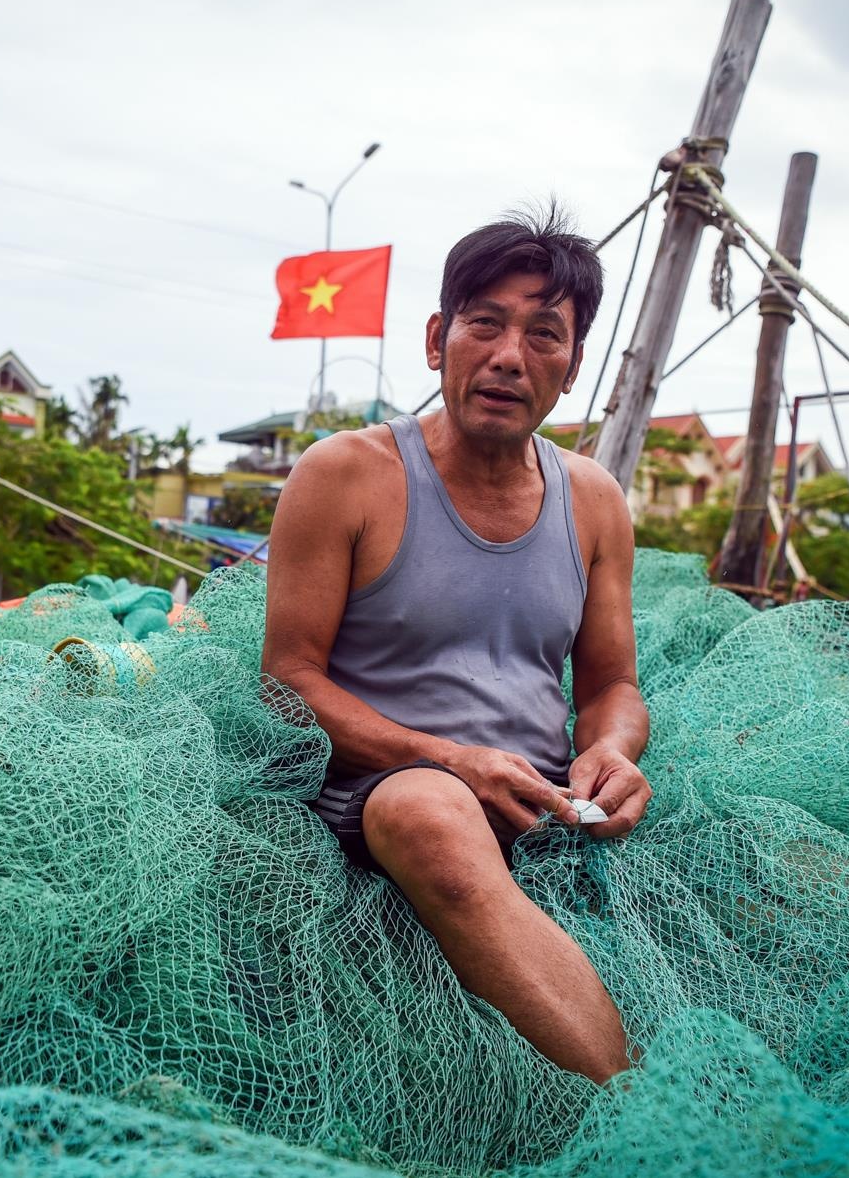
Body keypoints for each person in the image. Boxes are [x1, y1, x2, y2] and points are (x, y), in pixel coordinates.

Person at [262, 209, 650, 1083]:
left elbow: (613, 684)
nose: (510, 355)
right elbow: (288, 681)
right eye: (486, 324)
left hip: (540, 803)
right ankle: (644, 1117)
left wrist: (613, 753)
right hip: (382, 798)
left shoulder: (593, 499)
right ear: (439, 339)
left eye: (543, 334)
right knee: (427, 811)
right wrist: (451, 761)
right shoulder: (346, 474)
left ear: (573, 366)